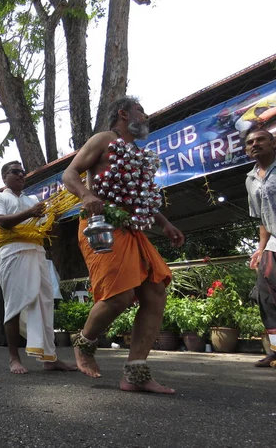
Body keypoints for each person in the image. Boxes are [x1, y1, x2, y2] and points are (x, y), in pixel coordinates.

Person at [62, 96, 184, 393]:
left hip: (132, 229)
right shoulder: (104, 140)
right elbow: (69, 174)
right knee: (120, 296)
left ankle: (136, 374)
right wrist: (86, 196)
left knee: (155, 291)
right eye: (141, 110)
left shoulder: (136, 154)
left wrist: (164, 223)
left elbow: (137, 199)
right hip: (100, 225)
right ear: (123, 113)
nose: (145, 116)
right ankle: (85, 343)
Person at [0, 161, 77, 374]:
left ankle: (50, 358)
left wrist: (55, 215)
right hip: (13, 254)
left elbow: (48, 229)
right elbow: (2, 222)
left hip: (37, 254)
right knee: (14, 306)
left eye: (23, 172)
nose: (21, 175)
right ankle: (13, 358)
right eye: (15, 172)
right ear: (4, 177)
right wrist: (31, 213)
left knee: (45, 304)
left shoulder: (33, 199)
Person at [244, 129, 276, 367]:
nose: (254, 144)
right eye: (250, 143)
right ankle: (275, 351)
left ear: (273, 143)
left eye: (260, 140)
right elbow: (262, 220)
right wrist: (260, 248)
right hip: (273, 242)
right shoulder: (250, 179)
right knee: (265, 296)